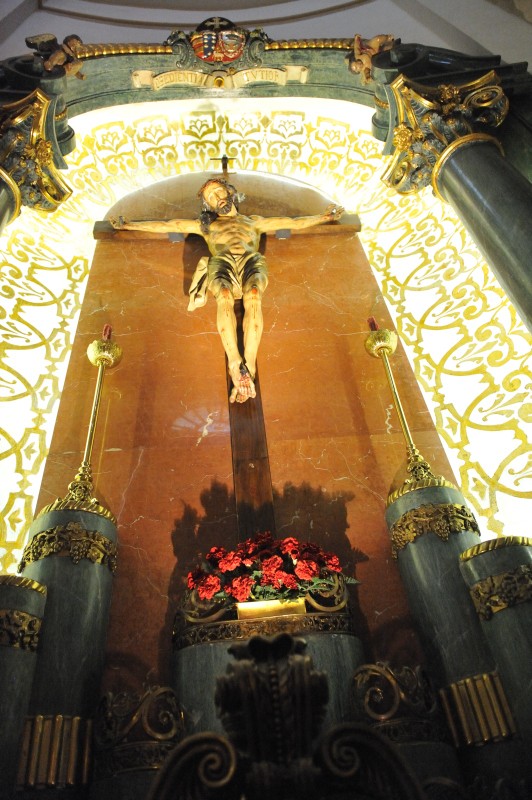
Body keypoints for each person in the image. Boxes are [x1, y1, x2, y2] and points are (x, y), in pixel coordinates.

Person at [111, 178, 343, 403]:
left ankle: (248, 364)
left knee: (254, 295)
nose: (217, 198)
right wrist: (128, 225)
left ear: (230, 191)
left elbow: (292, 222)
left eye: (218, 192)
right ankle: (234, 362)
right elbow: (170, 225)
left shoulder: (253, 222)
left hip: (250, 260)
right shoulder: (208, 226)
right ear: (209, 206)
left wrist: (325, 217)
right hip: (222, 261)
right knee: (223, 296)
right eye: (211, 198)